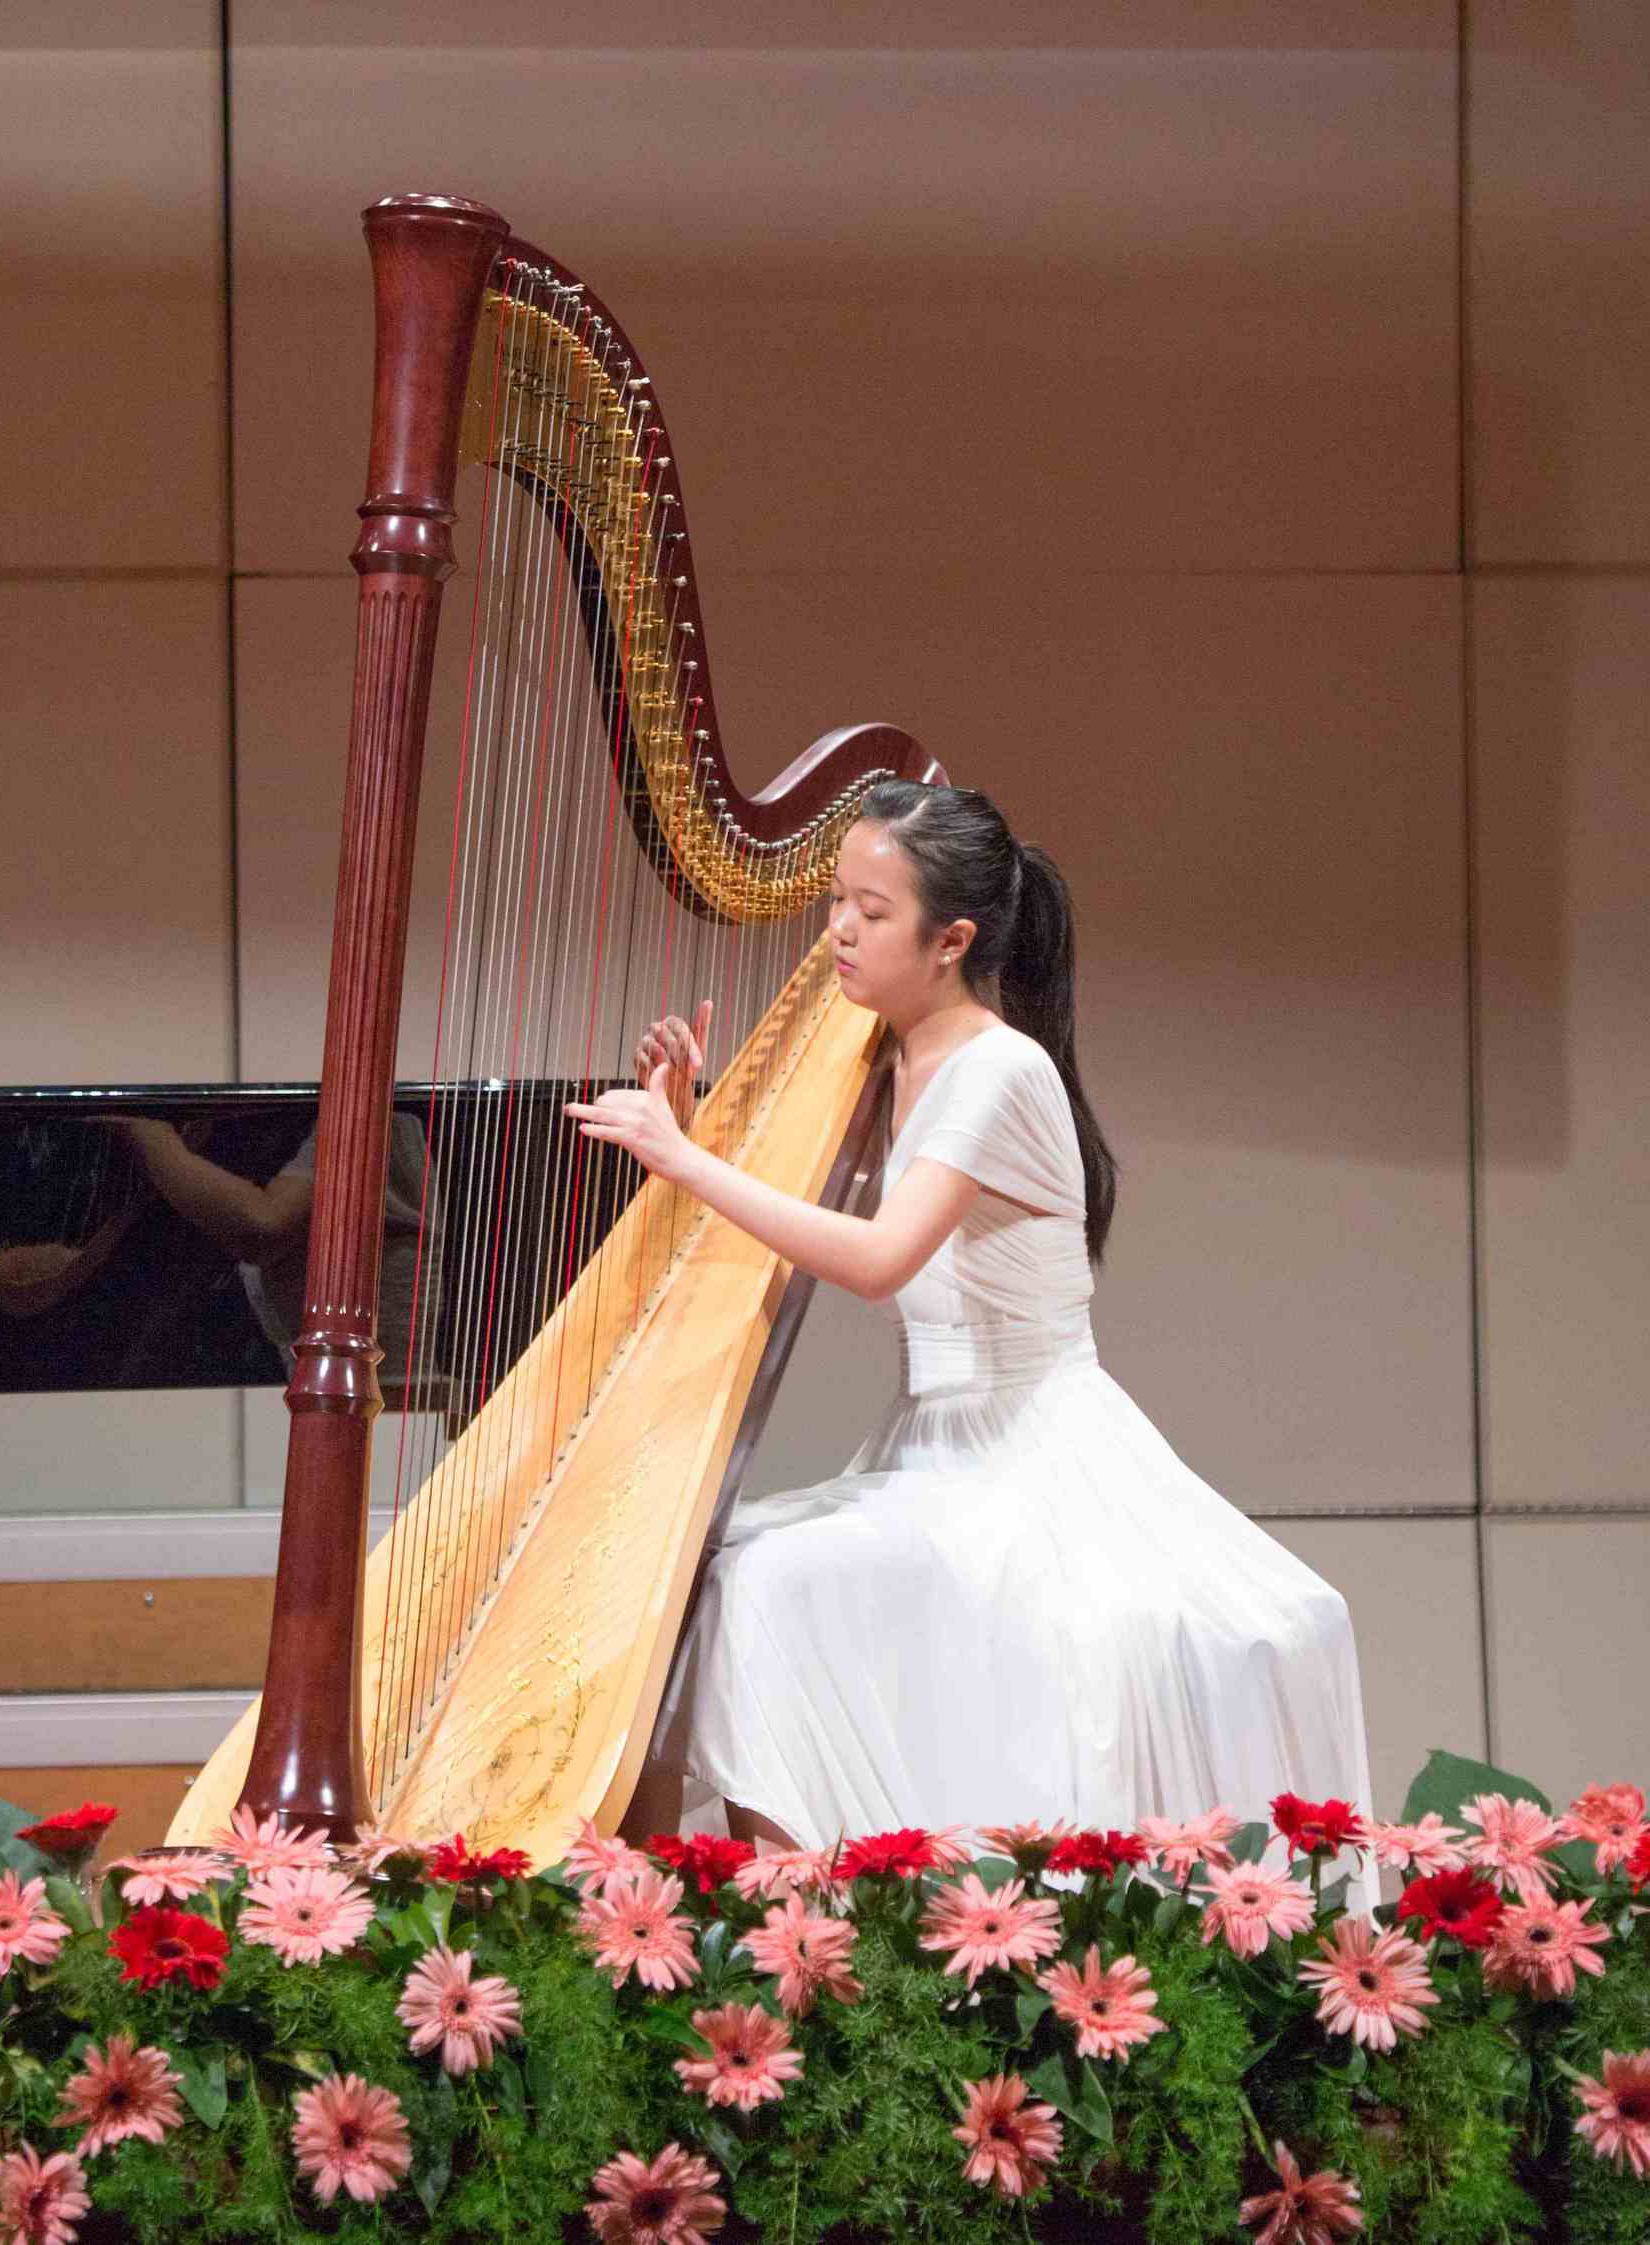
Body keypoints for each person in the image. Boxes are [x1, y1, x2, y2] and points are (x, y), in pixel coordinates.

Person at [563, 780, 1376, 1873]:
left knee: (760, 1583)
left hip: (1024, 1453)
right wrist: (698, 1121)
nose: (839, 931)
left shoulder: (998, 1070)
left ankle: (792, 1907)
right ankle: (697, 1899)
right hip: (931, 1448)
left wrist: (680, 1158)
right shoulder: (885, 1053)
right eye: (835, 902)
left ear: (950, 940)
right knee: (693, 1560)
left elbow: (876, 1259)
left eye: (872, 911)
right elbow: (804, 1212)